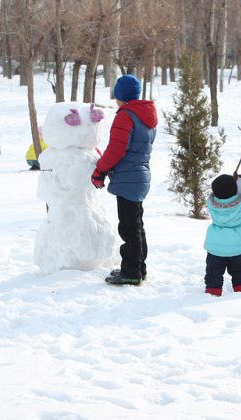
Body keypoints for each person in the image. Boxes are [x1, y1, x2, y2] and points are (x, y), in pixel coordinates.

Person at [91, 74, 158, 286]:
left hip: (129, 177)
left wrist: (100, 170)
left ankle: (131, 272)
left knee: (129, 228)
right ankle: (139, 268)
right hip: (140, 175)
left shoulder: (126, 115)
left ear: (120, 96)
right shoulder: (146, 115)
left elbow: (117, 149)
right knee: (136, 226)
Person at [204, 174, 241, 296]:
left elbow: (217, 192)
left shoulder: (210, 203)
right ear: (235, 190)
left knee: (214, 270)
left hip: (216, 247)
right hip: (237, 245)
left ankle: (213, 289)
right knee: (239, 269)